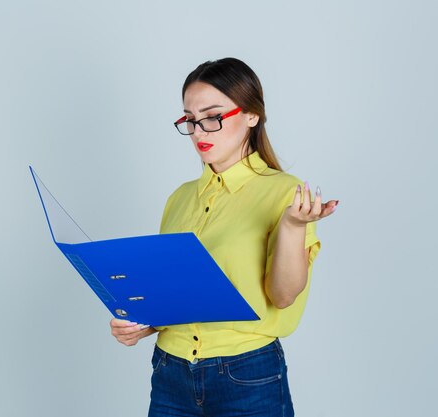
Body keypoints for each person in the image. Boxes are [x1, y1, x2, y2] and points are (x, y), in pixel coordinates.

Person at [110, 57, 338, 417]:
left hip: (246, 374)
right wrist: (144, 325)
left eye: (213, 117)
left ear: (251, 115)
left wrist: (293, 227)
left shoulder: (285, 193)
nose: (200, 132)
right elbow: (180, 292)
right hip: (171, 372)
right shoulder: (180, 198)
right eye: (190, 119)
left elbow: (283, 296)